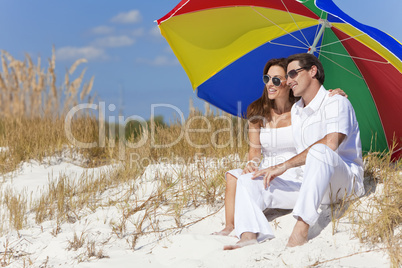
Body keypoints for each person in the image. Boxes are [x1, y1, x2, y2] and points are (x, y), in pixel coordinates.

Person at [223, 53, 364, 250]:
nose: (289, 81)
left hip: (343, 182)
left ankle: (301, 229)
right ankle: (248, 234)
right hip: (308, 185)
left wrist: (284, 165)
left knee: (320, 151)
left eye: (292, 74)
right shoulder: (297, 110)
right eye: (287, 76)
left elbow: (331, 144)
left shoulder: (336, 102)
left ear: (313, 71)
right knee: (248, 180)